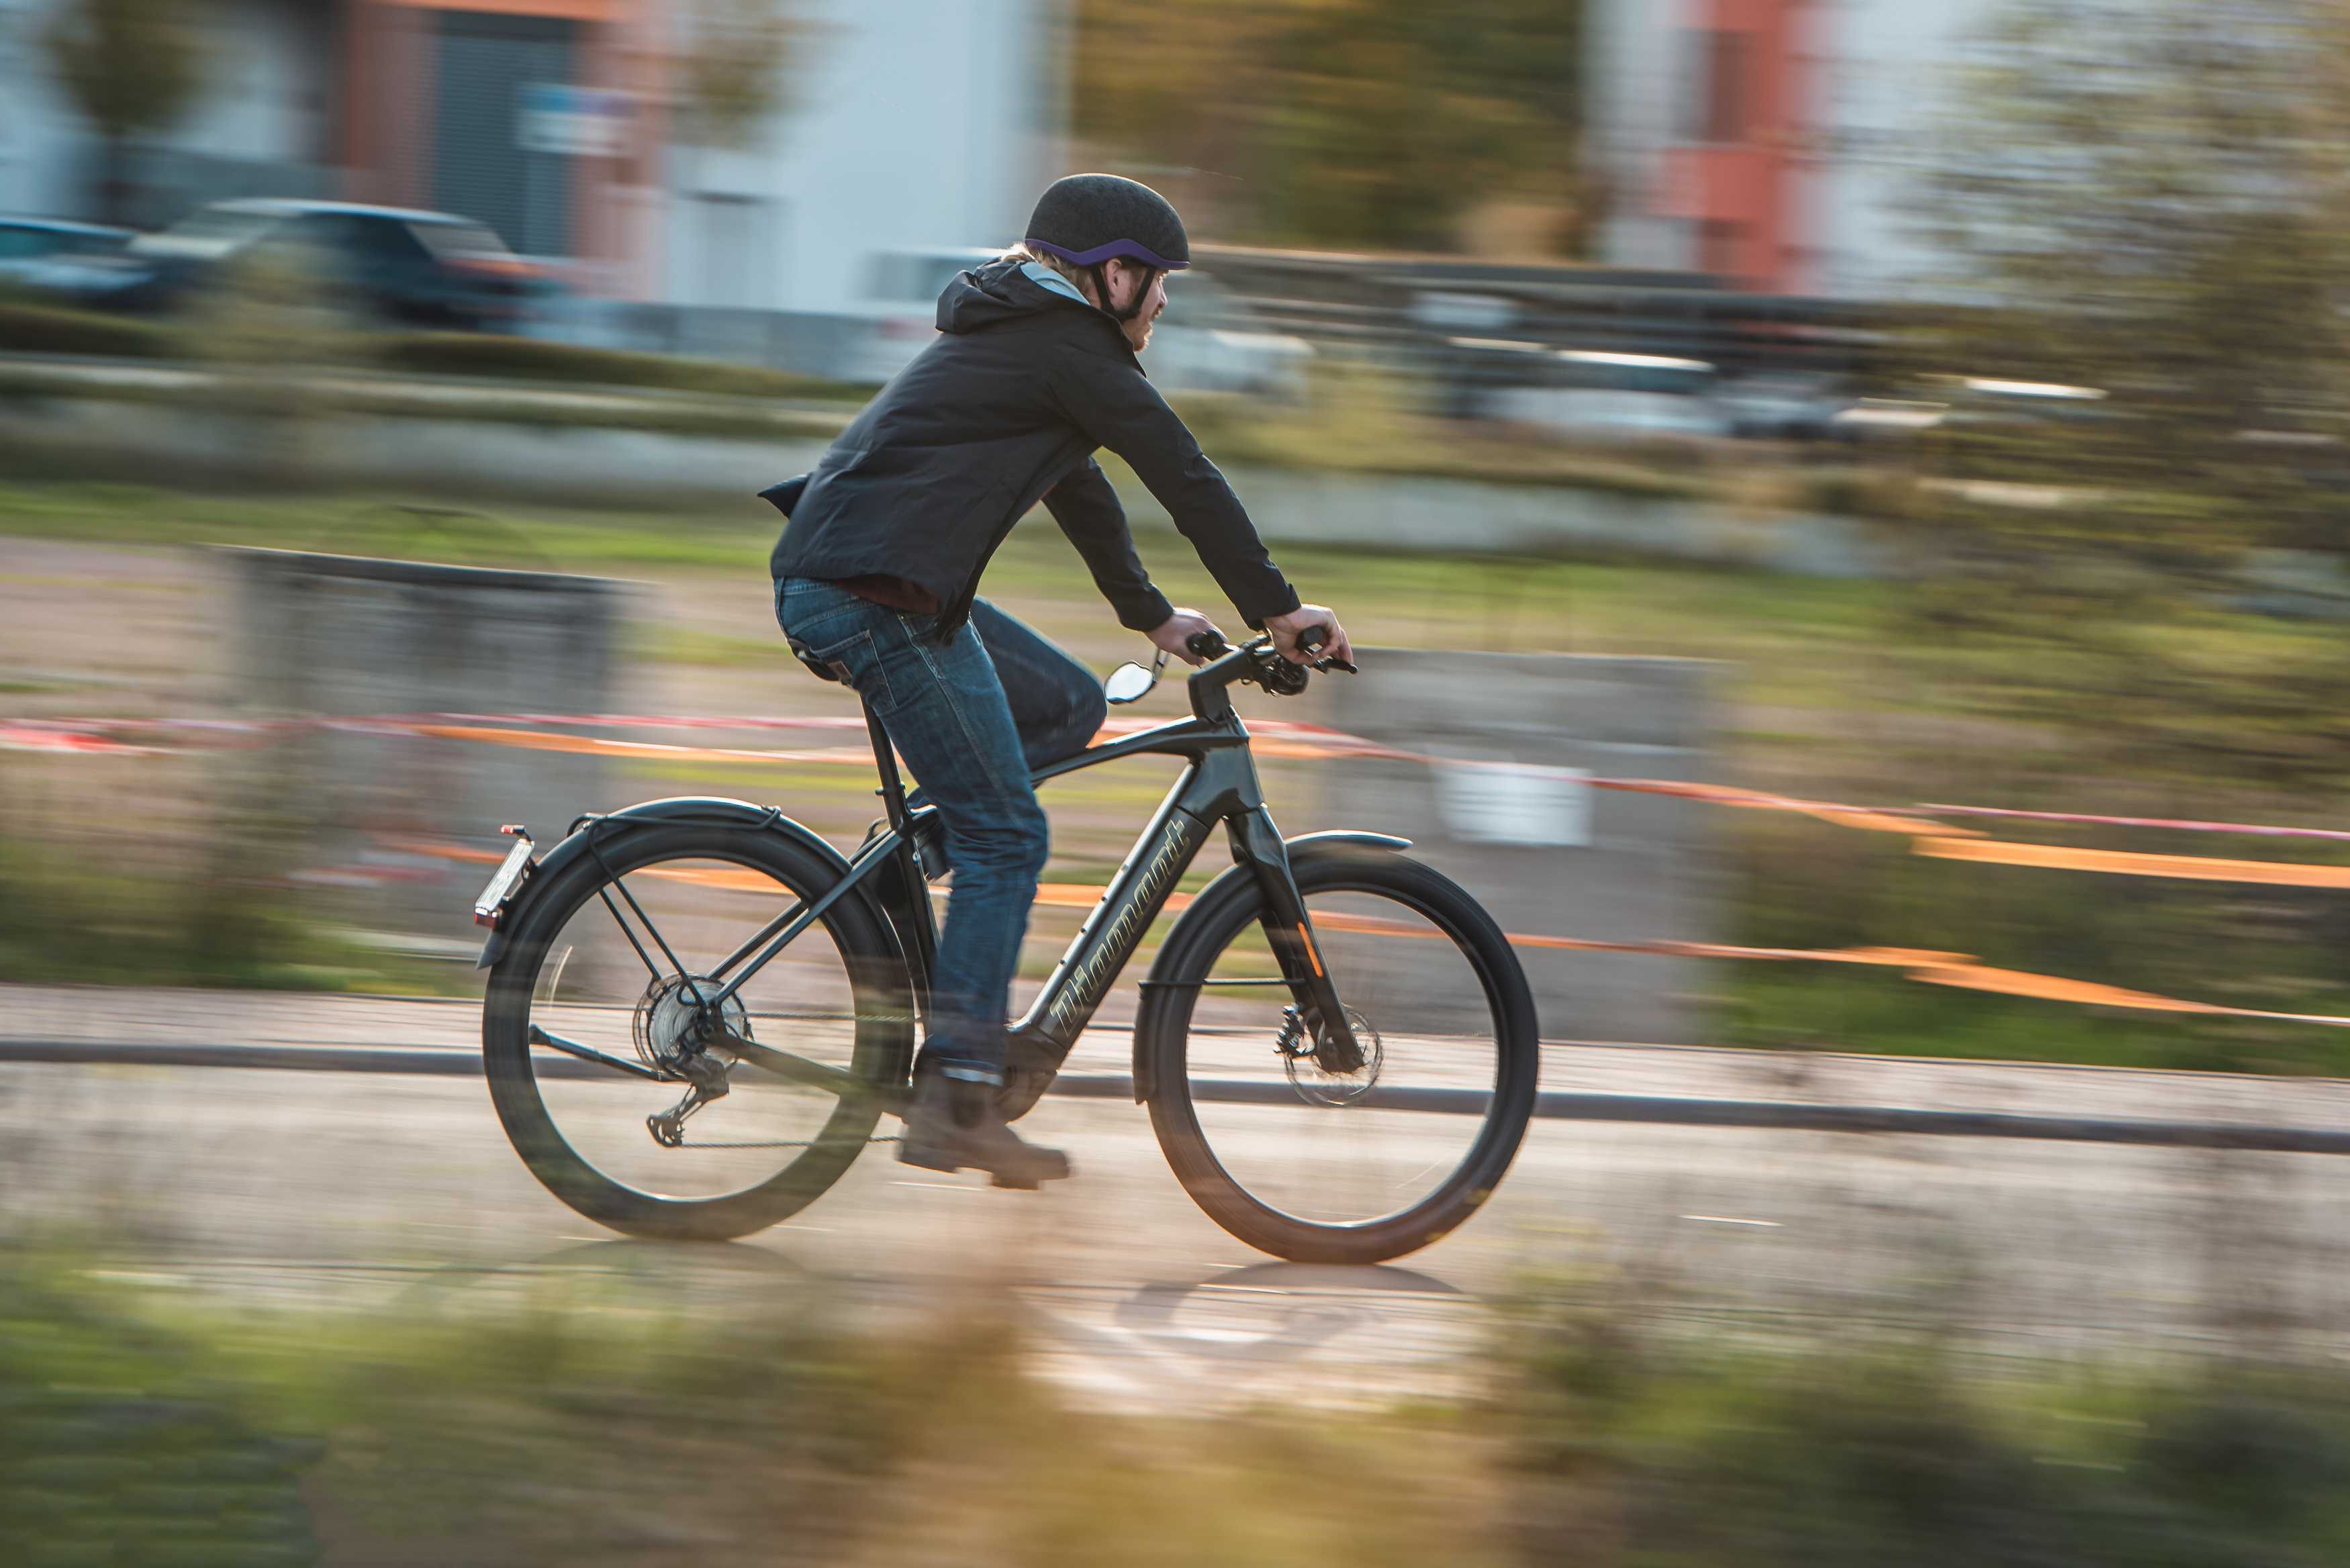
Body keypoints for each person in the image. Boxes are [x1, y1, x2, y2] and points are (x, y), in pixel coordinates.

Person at [762, 173, 1352, 1189]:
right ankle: (957, 1095)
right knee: (1011, 836)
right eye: (1158, 280)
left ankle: (934, 850)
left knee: (1071, 705)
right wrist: (1281, 611)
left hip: (884, 582)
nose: (1164, 302)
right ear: (1113, 273)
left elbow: (1076, 482)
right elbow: (1182, 470)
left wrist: (1152, 616)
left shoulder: (1030, 332)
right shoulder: (1064, 342)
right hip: (870, 595)